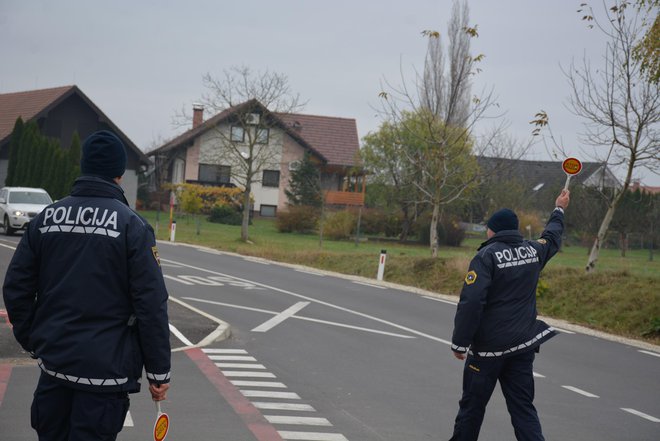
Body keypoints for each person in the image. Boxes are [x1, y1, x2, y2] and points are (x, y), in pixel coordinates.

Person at [3, 130, 171, 441]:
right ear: (119, 174)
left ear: (84, 167)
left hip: (55, 370)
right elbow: (151, 304)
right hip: (105, 377)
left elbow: (16, 287)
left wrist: (34, 340)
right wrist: (159, 372)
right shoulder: (132, 227)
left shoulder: (46, 219)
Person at [448, 189, 570, 441]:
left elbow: (471, 302)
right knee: (523, 408)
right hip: (522, 347)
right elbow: (552, 236)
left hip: (488, 351)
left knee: (472, 408)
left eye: (488, 228)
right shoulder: (533, 251)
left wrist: (460, 342)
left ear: (493, 230)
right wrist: (559, 209)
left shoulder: (485, 257)